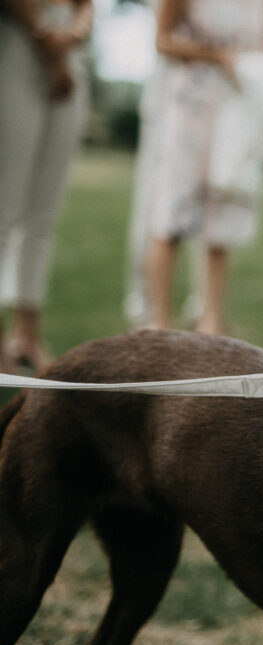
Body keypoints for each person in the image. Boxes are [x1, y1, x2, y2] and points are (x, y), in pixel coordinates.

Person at [131, 0, 263, 335]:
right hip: (189, 109)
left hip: (237, 109)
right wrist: (217, 57)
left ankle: (210, 320)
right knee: (172, 212)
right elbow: (162, 40)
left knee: (223, 212)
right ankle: (160, 323)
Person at [0, 0, 92, 371]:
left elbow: (86, 5)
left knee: (43, 214)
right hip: (17, 44)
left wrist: (70, 36)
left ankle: (27, 334)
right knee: (4, 207)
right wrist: (46, 38)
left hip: (69, 51)